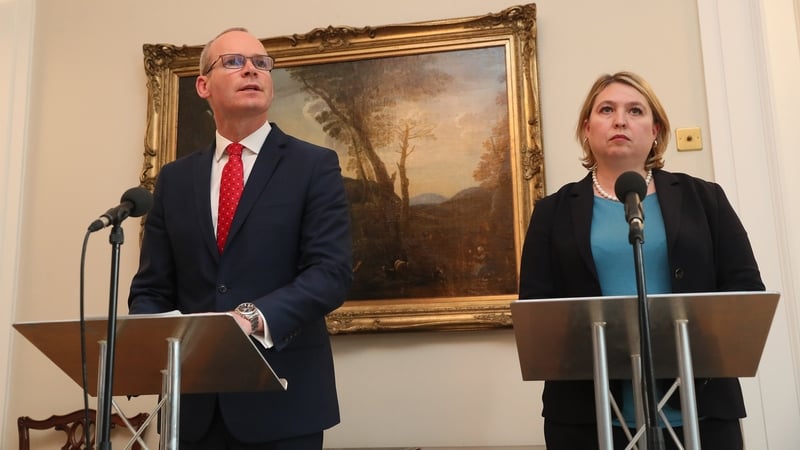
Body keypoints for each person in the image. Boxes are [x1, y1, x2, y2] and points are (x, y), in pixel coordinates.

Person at [128, 27, 353, 450]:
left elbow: (330, 274)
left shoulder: (314, 166)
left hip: (284, 406)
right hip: (190, 411)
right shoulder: (175, 180)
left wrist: (248, 317)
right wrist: (152, 340)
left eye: (261, 63)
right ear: (203, 85)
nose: (251, 69)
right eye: (234, 62)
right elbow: (151, 289)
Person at [518, 71, 764, 450]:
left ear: (655, 131)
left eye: (635, 110)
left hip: (702, 411)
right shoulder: (552, 213)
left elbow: (745, 292)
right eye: (606, 110)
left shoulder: (705, 198)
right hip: (587, 418)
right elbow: (537, 310)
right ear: (587, 128)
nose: (620, 120)